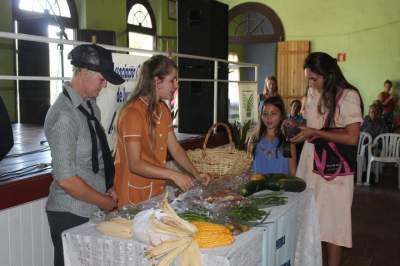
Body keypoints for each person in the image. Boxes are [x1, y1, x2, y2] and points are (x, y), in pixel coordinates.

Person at [44, 44, 124, 266]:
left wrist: (107, 187)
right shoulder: (64, 116)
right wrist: (104, 202)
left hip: (92, 207)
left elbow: (95, 159)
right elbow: (67, 180)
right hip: (70, 212)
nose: (105, 84)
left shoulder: (90, 107)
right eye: (102, 78)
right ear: (84, 72)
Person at [290, 52, 363, 266]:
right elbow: (312, 123)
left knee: (334, 226)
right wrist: (297, 129)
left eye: (315, 78)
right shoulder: (313, 92)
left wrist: (316, 132)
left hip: (335, 169)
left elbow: (351, 137)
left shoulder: (348, 96)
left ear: (329, 74)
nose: (311, 84)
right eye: (308, 79)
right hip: (310, 161)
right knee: (308, 219)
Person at [113, 55, 210, 207]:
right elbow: (135, 164)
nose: (176, 85)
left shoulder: (163, 110)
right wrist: (173, 175)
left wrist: (196, 173)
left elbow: (176, 149)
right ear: (157, 81)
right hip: (133, 197)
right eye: (172, 80)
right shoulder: (132, 113)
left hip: (155, 194)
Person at [250, 96, 297, 176]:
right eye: (265, 113)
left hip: (281, 188)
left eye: (273, 113)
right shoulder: (254, 139)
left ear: (281, 116)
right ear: (261, 116)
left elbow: (293, 173)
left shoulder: (288, 142)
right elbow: (249, 168)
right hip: (258, 187)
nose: (268, 117)